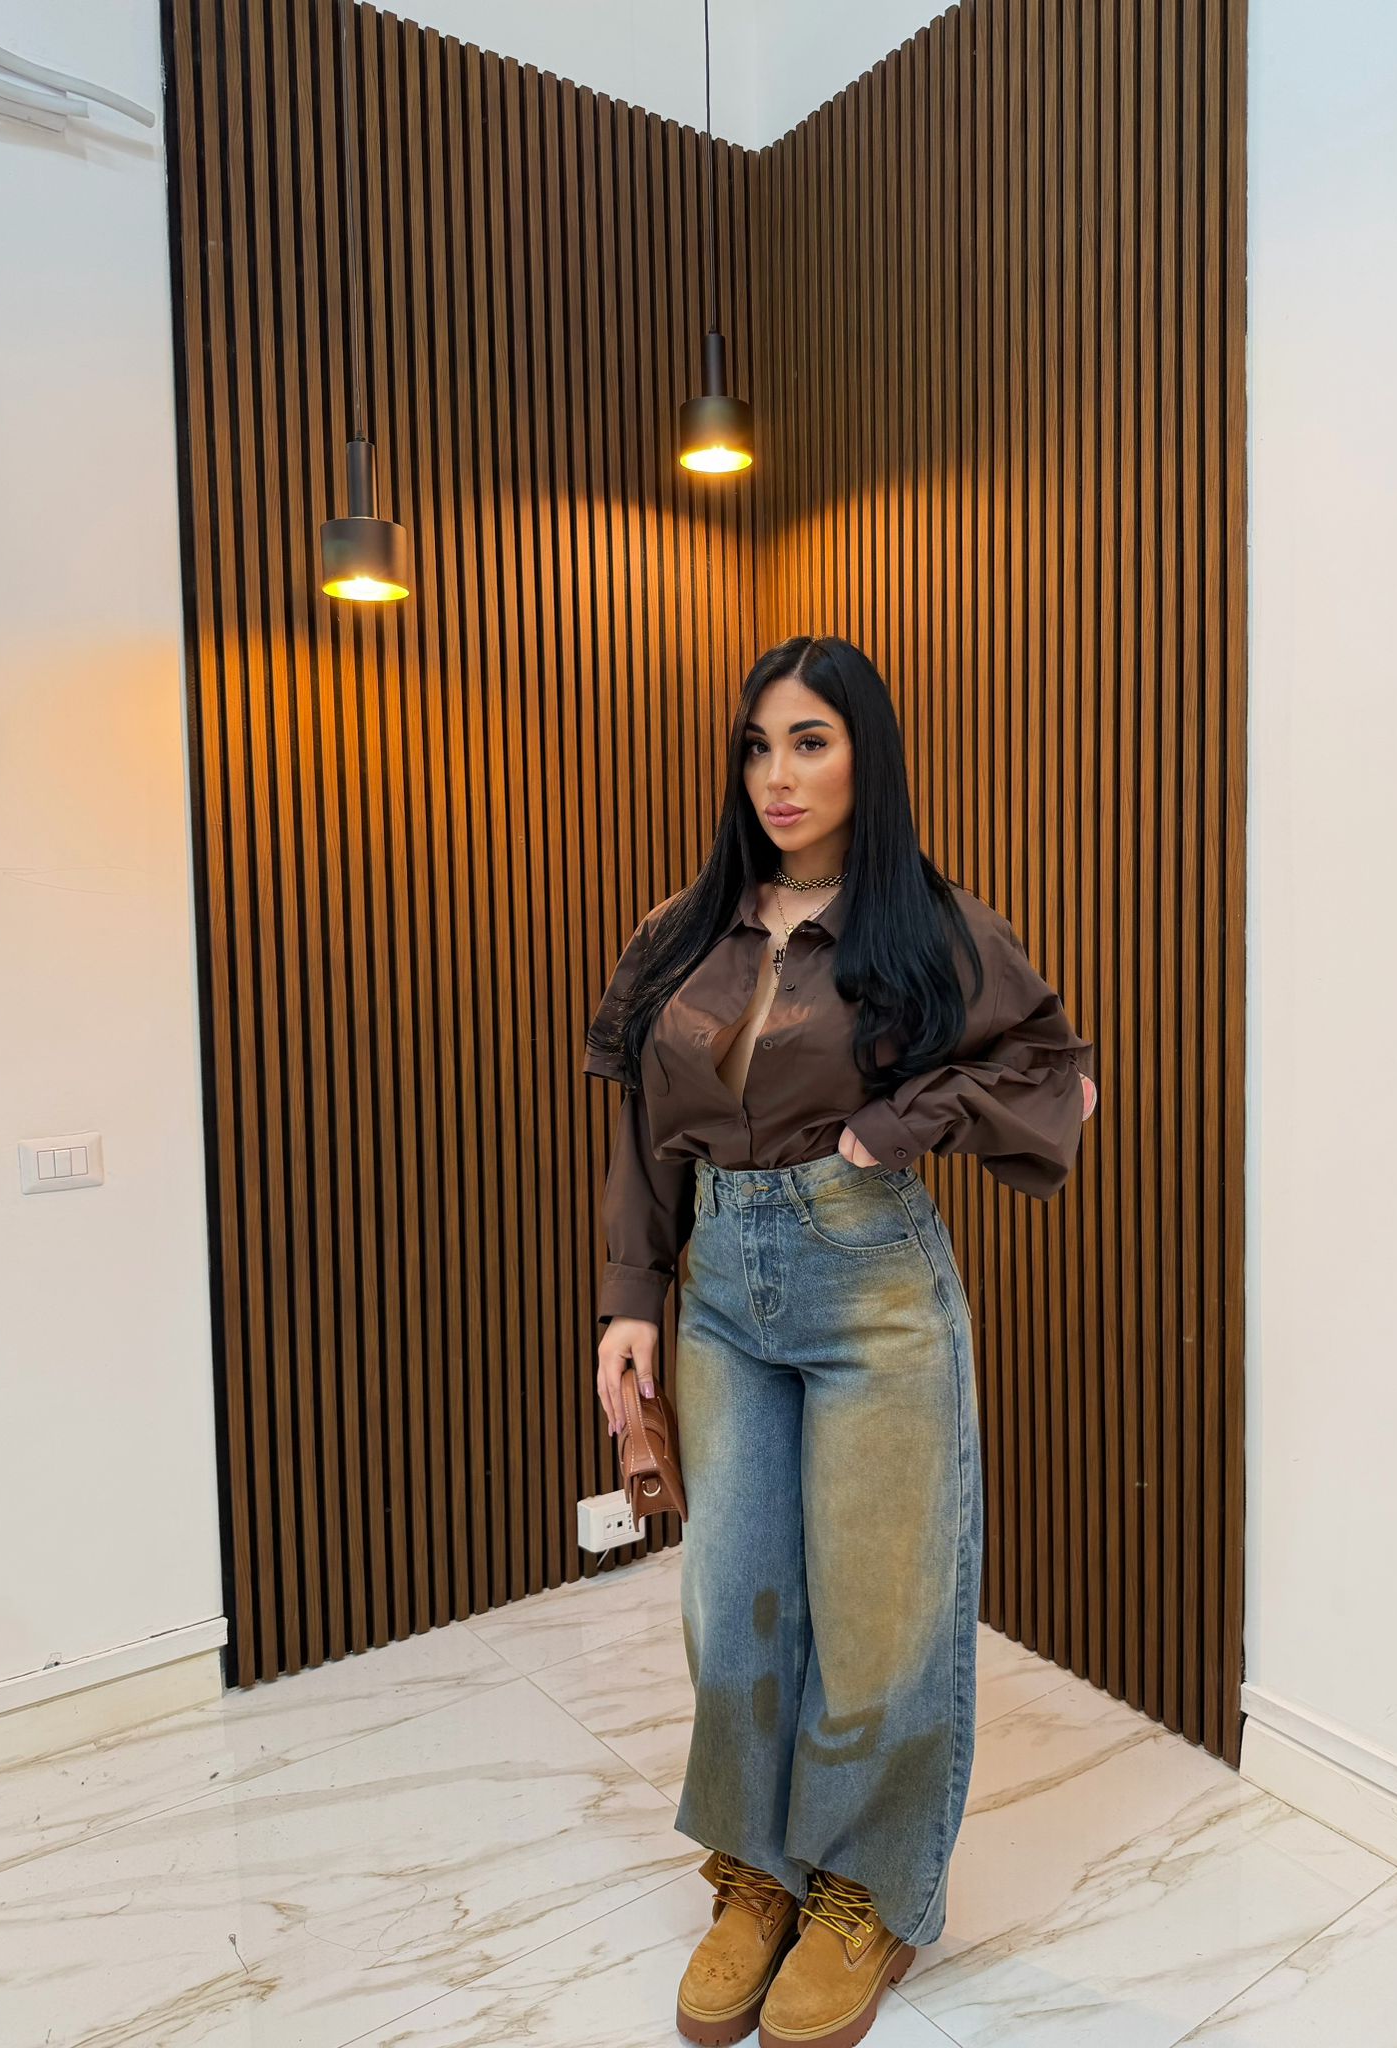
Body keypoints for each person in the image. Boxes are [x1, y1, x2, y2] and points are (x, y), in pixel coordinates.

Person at [582, 634, 1097, 2048]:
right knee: (734, 1601)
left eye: (811, 740)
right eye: (759, 744)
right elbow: (643, 1124)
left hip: (870, 1286)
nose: (779, 773)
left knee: (881, 1615)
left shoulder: (927, 926)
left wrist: (897, 1125)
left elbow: (1054, 1070)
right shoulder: (682, 932)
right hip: (720, 1295)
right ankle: (758, 1870)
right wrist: (632, 1298)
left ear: (867, 753)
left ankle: (864, 1890)